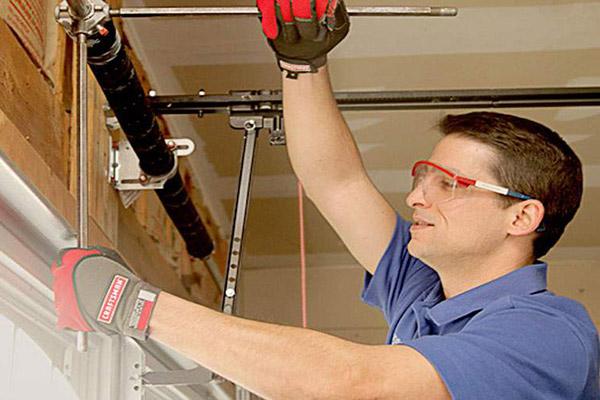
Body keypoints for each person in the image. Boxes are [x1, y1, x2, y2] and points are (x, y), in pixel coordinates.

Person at [52, 1, 599, 398]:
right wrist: (302, 62)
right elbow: (337, 182)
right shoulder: (422, 291)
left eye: (449, 185)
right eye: (422, 177)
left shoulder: (547, 331)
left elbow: (352, 383)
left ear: (522, 215)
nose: (414, 197)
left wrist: (134, 305)